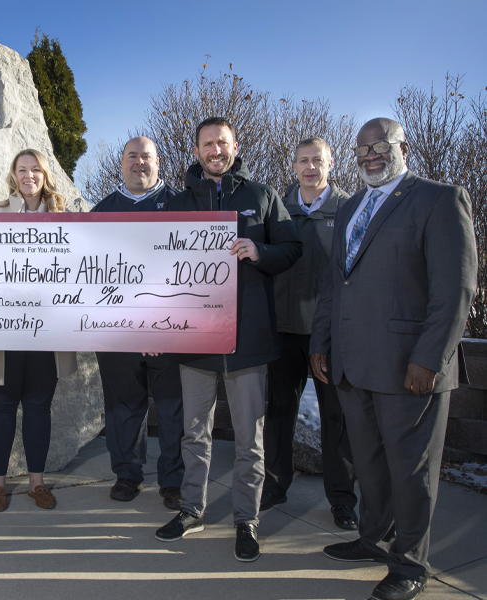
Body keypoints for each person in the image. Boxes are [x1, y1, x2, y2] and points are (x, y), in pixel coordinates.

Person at [310, 118, 476, 600]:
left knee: (411, 469)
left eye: (380, 145)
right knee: (370, 462)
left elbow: (456, 289)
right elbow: (333, 285)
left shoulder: (439, 199)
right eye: (362, 149)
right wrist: (321, 342)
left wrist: (430, 358)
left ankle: (410, 563)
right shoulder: (351, 207)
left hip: (410, 367)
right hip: (352, 364)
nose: (370, 155)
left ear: (403, 146)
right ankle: (372, 538)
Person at [155, 117, 301, 563]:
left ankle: (246, 519)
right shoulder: (178, 205)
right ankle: (191, 509)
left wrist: (260, 252)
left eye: (222, 142)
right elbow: (153, 267)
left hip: (249, 342)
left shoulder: (262, 196)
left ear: (235, 146)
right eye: (207, 144)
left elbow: (292, 248)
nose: (215, 150)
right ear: (196, 150)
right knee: (193, 434)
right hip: (195, 342)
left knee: (248, 441)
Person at [0, 149, 78, 512]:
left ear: (44, 175)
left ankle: (37, 482)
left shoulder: (66, 220)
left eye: (35, 169)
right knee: (0, 406)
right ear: (13, 175)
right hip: (3, 332)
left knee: (38, 406)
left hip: (47, 332)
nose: (28, 175)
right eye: (22, 170)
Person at [260, 137, 359, 531]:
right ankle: (275, 485)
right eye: (303, 160)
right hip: (283, 331)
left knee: (337, 419)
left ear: (330, 164)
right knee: (279, 412)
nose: (310, 167)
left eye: (317, 160)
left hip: (329, 335)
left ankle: (342, 500)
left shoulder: (350, 210)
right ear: (294, 165)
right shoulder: (277, 209)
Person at [90, 136, 186, 510]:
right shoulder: (102, 211)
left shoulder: (182, 206)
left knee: (172, 408)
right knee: (122, 407)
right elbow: (89, 275)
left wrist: (158, 322)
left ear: (158, 163)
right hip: (117, 332)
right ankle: (127, 474)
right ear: (122, 162)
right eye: (133, 156)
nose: (139, 163)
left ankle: (173, 480)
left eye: (147, 156)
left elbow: (190, 272)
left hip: (170, 330)